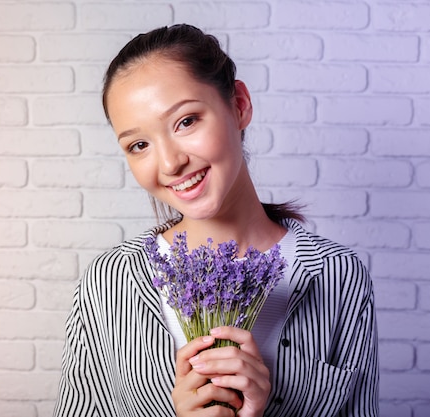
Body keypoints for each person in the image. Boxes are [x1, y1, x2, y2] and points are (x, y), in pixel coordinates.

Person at [54, 24, 379, 417]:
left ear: (239, 105)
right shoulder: (109, 282)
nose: (171, 163)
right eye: (139, 145)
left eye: (186, 121)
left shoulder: (338, 276)